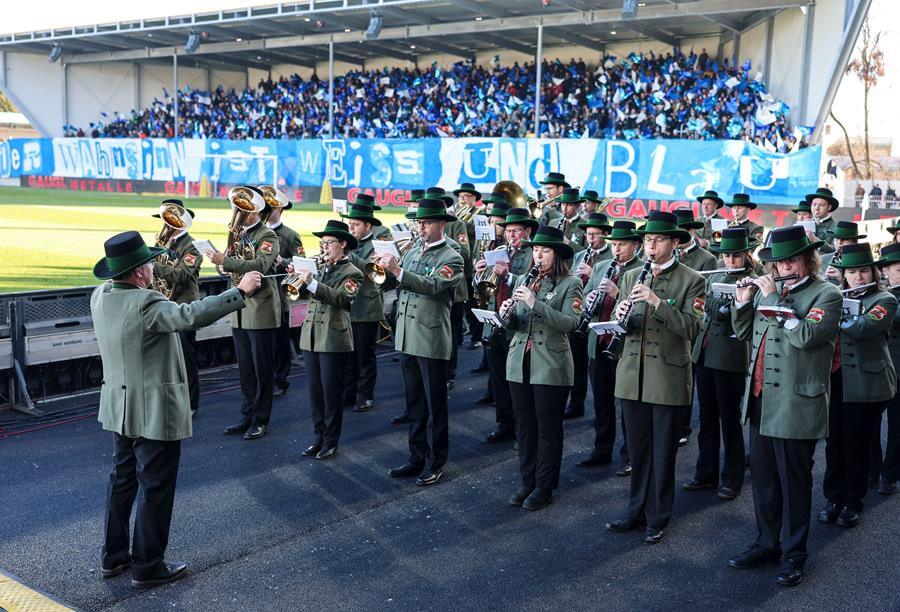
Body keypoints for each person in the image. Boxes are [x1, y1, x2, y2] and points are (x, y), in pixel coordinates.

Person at [91, 231, 261, 588]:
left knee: (121, 480)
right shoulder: (147, 303)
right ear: (139, 272)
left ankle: (114, 556)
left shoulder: (100, 295)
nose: (153, 267)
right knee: (155, 486)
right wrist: (240, 290)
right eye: (149, 263)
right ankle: (148, 565)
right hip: (153, 410)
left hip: (119, 406)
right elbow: (191, 315)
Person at [727, 225, 841, 588]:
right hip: (760, 399)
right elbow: (745, 334)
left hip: (796, 403)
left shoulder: (827, 294)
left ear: (808, 260)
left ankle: (795, 554)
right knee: (764, 482)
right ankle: (766, 542)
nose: (784, 267)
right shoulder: (769, 290)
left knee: (794, 483)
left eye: (792, 260)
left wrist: (775, 297)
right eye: (778, 263)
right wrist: (744, 302)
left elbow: (807, 337)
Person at [605, 211, 706, 544]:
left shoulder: (692, 279)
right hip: (632, 373)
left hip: (667, 376)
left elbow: (692, 328)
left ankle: (658, 516)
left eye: (658, 240)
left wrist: (657, 302)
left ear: (674, 242)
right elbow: (628, 325)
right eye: (647, 240)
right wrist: (622, 316)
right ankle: (635, 510)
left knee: (663, 453)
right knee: (637, 450)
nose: (651, 246)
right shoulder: (632, 274)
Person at [378, 198, 464, 486]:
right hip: (407, 335)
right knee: (414, 402)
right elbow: (399, 283)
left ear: (441, 224)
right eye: (419, 223)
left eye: (426, 223)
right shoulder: (413, 251)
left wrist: (398, 272)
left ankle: (436, 461)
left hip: (430, 337)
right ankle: (416, 457)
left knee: (434, 403)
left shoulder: (452, 255)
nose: (421, 227)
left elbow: (433, 286)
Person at [501, 224, 584, 510]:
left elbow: (571, 323)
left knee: (548, 428)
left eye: (544, 250)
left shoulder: (570, 284)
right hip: (520, 360)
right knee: (524, 426)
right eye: (535, 250)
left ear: (557, 254)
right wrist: (506, 316)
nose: (538, 255)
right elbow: (518, 322)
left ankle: (545, 486)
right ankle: (527, 481)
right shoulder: (526, 278)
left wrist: (536, 303)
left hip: (550, 363)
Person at [818, 243, 897, 527]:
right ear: (844, 275)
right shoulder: (834, 295)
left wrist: (833, 314)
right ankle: (833, 498)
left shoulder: (886, 299)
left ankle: (853, 502)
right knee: (833, 443)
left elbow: (864, 327)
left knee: (857, 445)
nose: (858, 277)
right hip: (834, 380)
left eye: (864, 271)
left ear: (874, 272)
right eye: (852, 272)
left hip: (867, 383)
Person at [684, 228, 757, 500]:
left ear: (746, 255)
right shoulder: (717, 276)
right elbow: (707, 305)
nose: (730, 261)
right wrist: (726, 306)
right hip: (705, 353)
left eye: (735, 256)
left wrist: (728, 306)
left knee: (730, 420)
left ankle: (732, 478)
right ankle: (705, 474)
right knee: (706, 418)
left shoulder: (755, 277)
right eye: (726, 256)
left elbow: (742, 312)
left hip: (730, 358)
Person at [206, 187, 281, 440]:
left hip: (259, 309)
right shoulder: (237, 235)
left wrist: (224, 261)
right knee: (246, 369)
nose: (237, 211)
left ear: (255, 210)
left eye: (242, 208)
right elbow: (233, 267)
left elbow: (260, 265)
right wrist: (223, 267)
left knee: (262, 369)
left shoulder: (267, 234)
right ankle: (247, 414)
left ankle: (261, 419)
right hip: (239, 309)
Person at [577, 220, 644, 471]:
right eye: (614, 244)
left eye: (622, 244)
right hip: (599, 339)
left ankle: (629, 454)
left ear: (635, 245)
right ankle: (602, 449)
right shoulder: (602, 266)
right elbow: (586, 295)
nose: (617, 249)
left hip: (624, 344)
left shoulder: (641, 270)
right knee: (601, 402)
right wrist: (589, 300)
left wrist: (617, 293)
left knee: (627, 403)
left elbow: (640, 309)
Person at [296, 220, 364, 460]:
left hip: (334, 337)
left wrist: (312, 282)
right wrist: (299, 278)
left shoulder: (353, 272)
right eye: (322, 243)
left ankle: (331, 441)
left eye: (329, 243)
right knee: (315, 392)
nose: (324, 248)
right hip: (312, 335)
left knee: (331, 393)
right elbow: (304, 292)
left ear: (342, 244)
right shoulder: (321, 267)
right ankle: (318, 437)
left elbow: (341, 298)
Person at [475, 206, 537, 443]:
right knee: (498, 378)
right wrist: (480, 275)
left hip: (518, 324)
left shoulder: (534, 254)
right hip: (495, 320)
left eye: (516, 230)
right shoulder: (498, 251)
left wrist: (507, 275)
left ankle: (524, 428)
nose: (510, 235)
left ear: (528, 230)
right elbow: (482, 289)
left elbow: (532, 288)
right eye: (508, 230)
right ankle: (505, 423)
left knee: (520, 381)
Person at [150, 200, 203, 416]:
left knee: (185, 360)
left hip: (183, 309)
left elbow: (181, 274)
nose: (166, 225)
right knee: (164, 359)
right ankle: (169, 401)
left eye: (171, 220)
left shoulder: (192, 246)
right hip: (163, 307)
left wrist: (154, 266)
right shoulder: (161, 244)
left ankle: (191, 404)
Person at [565, 211, 613, 420]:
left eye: (595, 234)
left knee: (600, 372)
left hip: (601, 321)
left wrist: (592, 273)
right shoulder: (579, 255)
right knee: (576, 363)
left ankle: (602, 411)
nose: (591, 238)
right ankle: (576, 404)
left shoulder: (611, 257)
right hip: (580, 313)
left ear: (605, 235)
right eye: (588, 235)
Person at [342, 203, 389, 413]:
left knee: (365, 356)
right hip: (347, 306)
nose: (351, 228)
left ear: (368, 225)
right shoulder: (348, 243)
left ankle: (365, 395)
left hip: (367, 306)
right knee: (348, 355)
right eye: (350, 224)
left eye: (356, 224)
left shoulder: (378, 245)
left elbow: (371, 271)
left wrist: (346, 253)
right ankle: (348, 393)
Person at [265, 187, 304, 398]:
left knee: (279, 343)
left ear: (279, 208)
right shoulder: (257, 233)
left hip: (279, 296)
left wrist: (284, 261)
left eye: (270, 206)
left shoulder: (290, 235)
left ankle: (280, 379)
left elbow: (301, 264)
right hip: (260, 295)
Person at [873, 243, 900, 494]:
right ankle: (872, 468)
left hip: (898, 367)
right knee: (869, 422)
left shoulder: (885, 296)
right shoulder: (877, 291)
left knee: (896, 423)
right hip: (875, 365)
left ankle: (890, 473)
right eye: (897, 269)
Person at [821, 221, 865, 285]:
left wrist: (841, 279)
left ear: (855, 242)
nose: (839, 243)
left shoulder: (864, 261)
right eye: (837, 239)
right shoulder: (822, 259)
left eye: (845, 239)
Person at [807, 187, 840, 253]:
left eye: (821, 205)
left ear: (829, 207)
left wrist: (815, 240)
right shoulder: (805, 223)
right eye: (814, 204)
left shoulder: (836, 226)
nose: (816, 208)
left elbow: (836, 249)